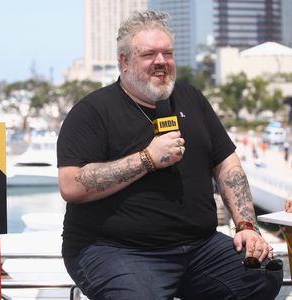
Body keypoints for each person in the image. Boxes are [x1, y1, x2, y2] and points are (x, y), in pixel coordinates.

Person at [56, 10, 283, 299]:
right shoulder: (92, 111)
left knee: (262, 275)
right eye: (149, 54)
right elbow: (71, 184)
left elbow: (227, 164)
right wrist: (147, 159)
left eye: (168, 53)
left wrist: (247, 226)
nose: (161, 62)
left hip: (198, 248)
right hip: (115, 250)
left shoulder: (192, 99)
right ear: (124, 61)